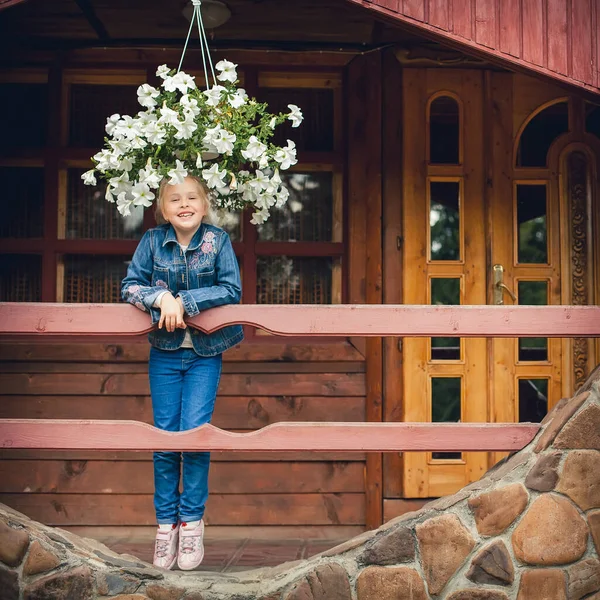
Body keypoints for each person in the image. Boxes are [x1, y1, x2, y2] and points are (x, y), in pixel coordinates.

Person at [121, 175, 243, 571]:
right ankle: (165, 526)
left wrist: (184, 300)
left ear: (204, 205)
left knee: (194, 435)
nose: (185, 204)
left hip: (206, 354)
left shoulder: (217, 241)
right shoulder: (153, 242)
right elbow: (130, 285)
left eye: (192, 197)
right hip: (166, 352)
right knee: (163, 439)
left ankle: (191, 522)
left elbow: (231, 289)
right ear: (163, 208)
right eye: (175, 199)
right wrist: (160, 297)